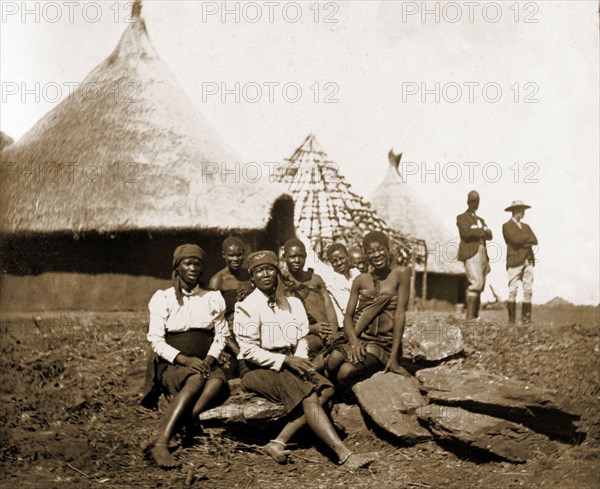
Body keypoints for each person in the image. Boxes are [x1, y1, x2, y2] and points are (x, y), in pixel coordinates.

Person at [233, 251, 378, 470]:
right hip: (257, 368)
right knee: (309, 395)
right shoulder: (246, 307)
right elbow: (249, 351)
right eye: (259, 271)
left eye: (269, 269)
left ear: (276, 272)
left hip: (291, 361)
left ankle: (278, 442)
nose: (265, 274)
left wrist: (299, 361)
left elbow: (300, 337)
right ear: (252, 278)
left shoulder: (290, 303)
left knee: (327, 389)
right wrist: (286, 361)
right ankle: (344, 455)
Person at [142, 244, 230, 469]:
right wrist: (184, 360)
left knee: (217, 381)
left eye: (197, 264)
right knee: (197, 378)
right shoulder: (164, 298)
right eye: (187, 263)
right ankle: (162, 442)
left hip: (204, 360)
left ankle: (183, 421)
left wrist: (209, 360)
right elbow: (156, 340)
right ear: (177, 267)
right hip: (174, 364)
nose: (192, 268)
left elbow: (221, 335)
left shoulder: (211, 297)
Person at [326, 232, 411, 389]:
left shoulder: (401, 274)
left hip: (383, 344)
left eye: (380, 249)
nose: (376, 255)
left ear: (388, 249)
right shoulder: (360, 280)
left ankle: (352, 392)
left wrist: (394, 357)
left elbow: (399, 314)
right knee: (332, 361)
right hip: (361, 339)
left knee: (345, 371)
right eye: (370, 252)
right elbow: (348, 317)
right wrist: (354, 343)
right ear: (365, 255)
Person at [279, 238, 339, 360]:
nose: (297, 260)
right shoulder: (281, 283)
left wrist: (333, 328)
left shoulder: (316, 279)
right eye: (292, 256)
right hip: (302, 333)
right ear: (284, 257)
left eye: (301, 256)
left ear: (306, 256)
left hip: (325, 331)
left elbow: (328, 305)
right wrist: (311, 328)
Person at [209, 236, 253, 376]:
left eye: (239, 255)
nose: (235, 259)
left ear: (244, 253)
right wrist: (235, 349)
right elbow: (215, 319)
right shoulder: (218, 281)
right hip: (228, 334)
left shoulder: (250, 276)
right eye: (231, 255)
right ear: (224, 255)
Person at [456, 190, 493, 321]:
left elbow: (490, 235)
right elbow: (466, 233)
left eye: (477, 201)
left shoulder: (480, 219)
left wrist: (480, 231)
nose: (475, 204)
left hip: (482, 251)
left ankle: (476, 317)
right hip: (471, 251)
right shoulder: (462, 218)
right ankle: (470, 318)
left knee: (480, 284)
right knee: (475, 283)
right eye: (472, 201)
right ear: (468, 202)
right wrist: (482, 231)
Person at [502, 200, 538, 324]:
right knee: (513, 291)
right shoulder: (506, 226)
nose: (523, 213)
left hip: (528, 261)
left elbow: (535, 240)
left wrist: (523, 240)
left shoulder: (526, 227)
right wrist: (526, 239)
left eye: (523, 210)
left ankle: (526, 321)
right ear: (515, 211)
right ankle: (511, 321)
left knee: (528, 290)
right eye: (521, 210)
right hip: (514, 262)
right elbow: (515, 240)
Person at [324, 243, 360, 326]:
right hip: (349, 324)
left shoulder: (355, 272)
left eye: (341, 258)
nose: (339, 263)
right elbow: (349, 308)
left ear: (348, 256)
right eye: (334, 261)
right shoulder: (332, 281)